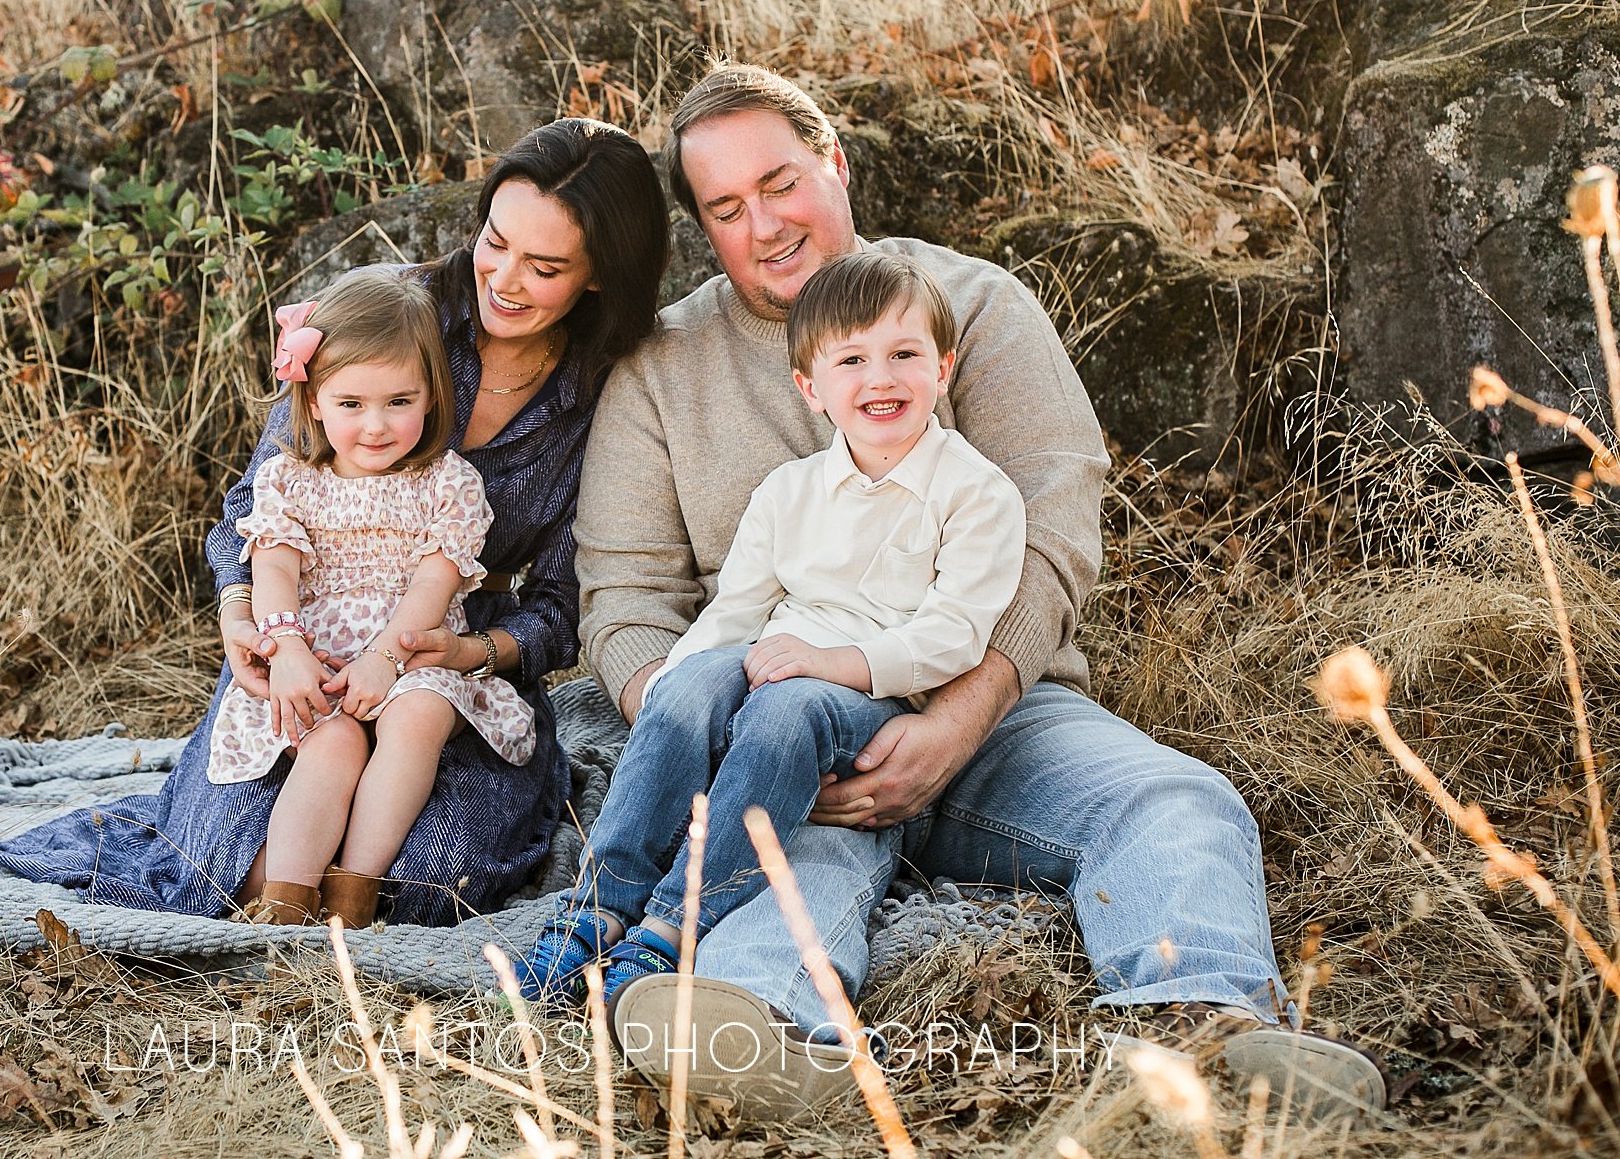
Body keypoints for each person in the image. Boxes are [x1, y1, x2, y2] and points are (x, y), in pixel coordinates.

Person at [574, 63, 1385, 1121]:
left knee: (1172, 800)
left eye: (780, 183)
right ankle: (758, 1043)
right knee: (790, 873)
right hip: (777, 729)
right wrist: (720, 736)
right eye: (726, 208)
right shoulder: (659, 370)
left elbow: (1052, 527)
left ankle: (1204, 1037)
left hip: (995, 710)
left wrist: (957, 719)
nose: (763, 224)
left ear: (834, 163)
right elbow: (623, 603)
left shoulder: (974, 306)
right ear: (703, 228)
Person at [0, 117, 670, 927]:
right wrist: (251, 624)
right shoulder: (385, 313)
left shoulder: (607, 392)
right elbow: (257, 509)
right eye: (495, 241)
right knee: (226, 867)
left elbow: (561, 603)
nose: (505, 279)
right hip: (304, 640)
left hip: (445, 667)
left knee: (424, 883)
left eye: (545, 265)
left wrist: (470, 650)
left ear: (600, 276)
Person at [515, 252, 1025, 1004]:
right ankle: (599, 904)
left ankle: (674, 924)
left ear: (942, 369)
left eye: (905, 355)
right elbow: (735, 612)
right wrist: (686, 683)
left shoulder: (977, 493)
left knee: (789, 707)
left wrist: (830, 661)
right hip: (778, 655)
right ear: (811, 388)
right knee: (684, 688)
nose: (880, 378)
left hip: (883, 695)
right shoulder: (788, 492)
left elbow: (952, 636)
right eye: (852, 359)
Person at [210, 271, 539, 927]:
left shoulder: (449, 484)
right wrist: (290, 649)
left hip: (411, 647)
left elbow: (432, 586)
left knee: (418, 718)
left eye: (399, 400)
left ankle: (353, 895)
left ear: (432, 396)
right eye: (351, 403)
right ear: (314, 403)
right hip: (320, 649)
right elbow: (272, 568)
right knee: (332, 745)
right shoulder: (290, 479)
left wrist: (385, 659)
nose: (377, 424)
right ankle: (286, 904)